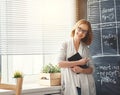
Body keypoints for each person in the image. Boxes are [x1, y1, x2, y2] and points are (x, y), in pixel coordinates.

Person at [56, 19, 96, 95]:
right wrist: (79, 62)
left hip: (85, 83)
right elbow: (59, 64)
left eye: (84, 31)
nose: (81, 32)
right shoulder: (65, 44)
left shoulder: (85, 48)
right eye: (79, 29)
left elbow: (91, 69)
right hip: (70, 84)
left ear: (87, 34)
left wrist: (81, 70)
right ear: (75, 28)